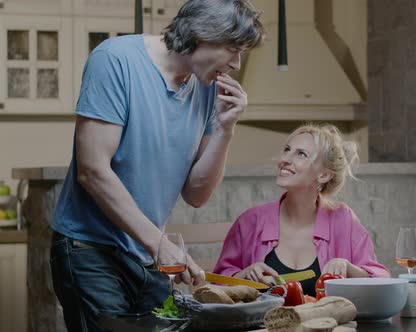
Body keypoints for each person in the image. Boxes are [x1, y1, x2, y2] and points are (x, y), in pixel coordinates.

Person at [49, 0, 264, 330]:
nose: (237, 63)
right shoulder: (116, 60)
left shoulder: (207, 88)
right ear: (201, 34)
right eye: (233, 49)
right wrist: (159, 244)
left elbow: (196, 194)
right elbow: (92, 171)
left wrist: (226, 128)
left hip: (145, 254)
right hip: (90, 250)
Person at [213, 124, 390, 296]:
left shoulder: (343, 219)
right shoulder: (250, 221)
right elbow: (216, 283)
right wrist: (244, 275)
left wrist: (348, 267)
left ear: (324, 175)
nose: (284, 160)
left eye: (301, 154)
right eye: (287, 149)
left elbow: (381, 280)